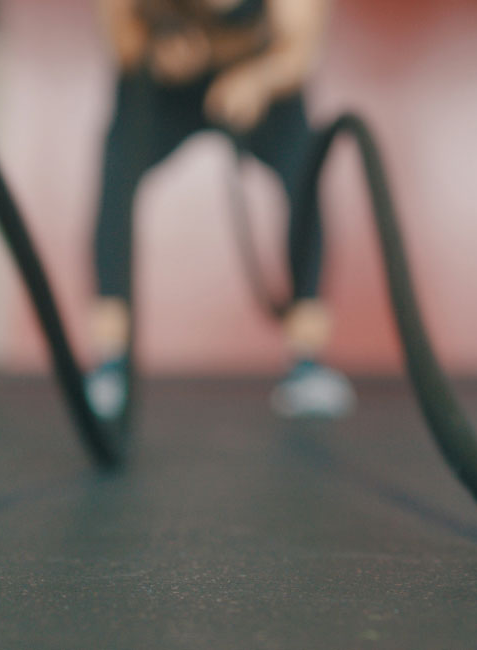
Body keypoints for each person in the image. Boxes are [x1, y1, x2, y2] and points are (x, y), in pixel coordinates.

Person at [87, 0, 355, 418]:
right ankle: (111, 361)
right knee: (117, 168)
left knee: (305, 175)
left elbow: (300, 53)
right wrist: (158, 54)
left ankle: (307, 363)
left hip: (260, 79)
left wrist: (258, 80)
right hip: (164, 86)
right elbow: (122, 40)